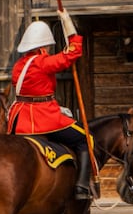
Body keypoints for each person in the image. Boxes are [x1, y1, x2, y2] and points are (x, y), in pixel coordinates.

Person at [7, 10, 96, 200]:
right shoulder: (43, 62)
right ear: (44, 45)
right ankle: (81, 186)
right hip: (43, 116)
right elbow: (73, 53)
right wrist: (68, 24)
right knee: (85, 139)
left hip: (19, 117)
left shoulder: (19, 65)